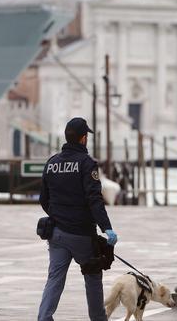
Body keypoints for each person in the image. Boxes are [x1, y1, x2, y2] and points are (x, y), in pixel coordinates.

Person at [37, 117, 117, 321]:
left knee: (55, 278)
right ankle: (98, 318)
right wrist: (106, 228)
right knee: (92, 275)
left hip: (56, 233)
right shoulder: (86, 163)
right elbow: (94, 200)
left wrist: (57, 216)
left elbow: (43, 199)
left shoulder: (52, 163)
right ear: (83, 139)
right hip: (81, 234)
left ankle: (44, 317)